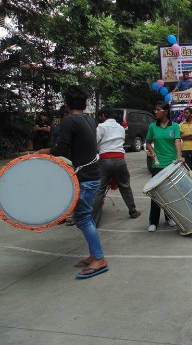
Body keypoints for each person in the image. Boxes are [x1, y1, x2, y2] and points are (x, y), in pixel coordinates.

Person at [37, 85, 108, 279]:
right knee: (86, 218)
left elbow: (61, 150)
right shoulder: (89, 120)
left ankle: (99, 259)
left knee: (83, 218)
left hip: (85, 178)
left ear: (67, 105)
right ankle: (94, 254)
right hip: (91, 175)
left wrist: (43, 152)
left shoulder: (70, 121)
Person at [93, 105, 141, 220]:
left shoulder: (101, 127)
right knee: (125, 186)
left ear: (104, 115)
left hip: (105, 160)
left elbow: (95, 143)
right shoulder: (120, 127)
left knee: (100, 189)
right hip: (120, 160)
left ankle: (94, 219)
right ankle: (133, 211)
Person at [145, 101, 184, 232]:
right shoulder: (152, 126)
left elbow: (177, 141)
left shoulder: (175, 126)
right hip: (158, 164)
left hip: (171, 164)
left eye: (158, 109)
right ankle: (153, 221)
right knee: (156, 194)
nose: (155, 112)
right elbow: (148, 143)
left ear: (165, 112)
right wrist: (152, 152)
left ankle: (169, 217)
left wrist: (179, 156)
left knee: (171, 194)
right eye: (155, 110)